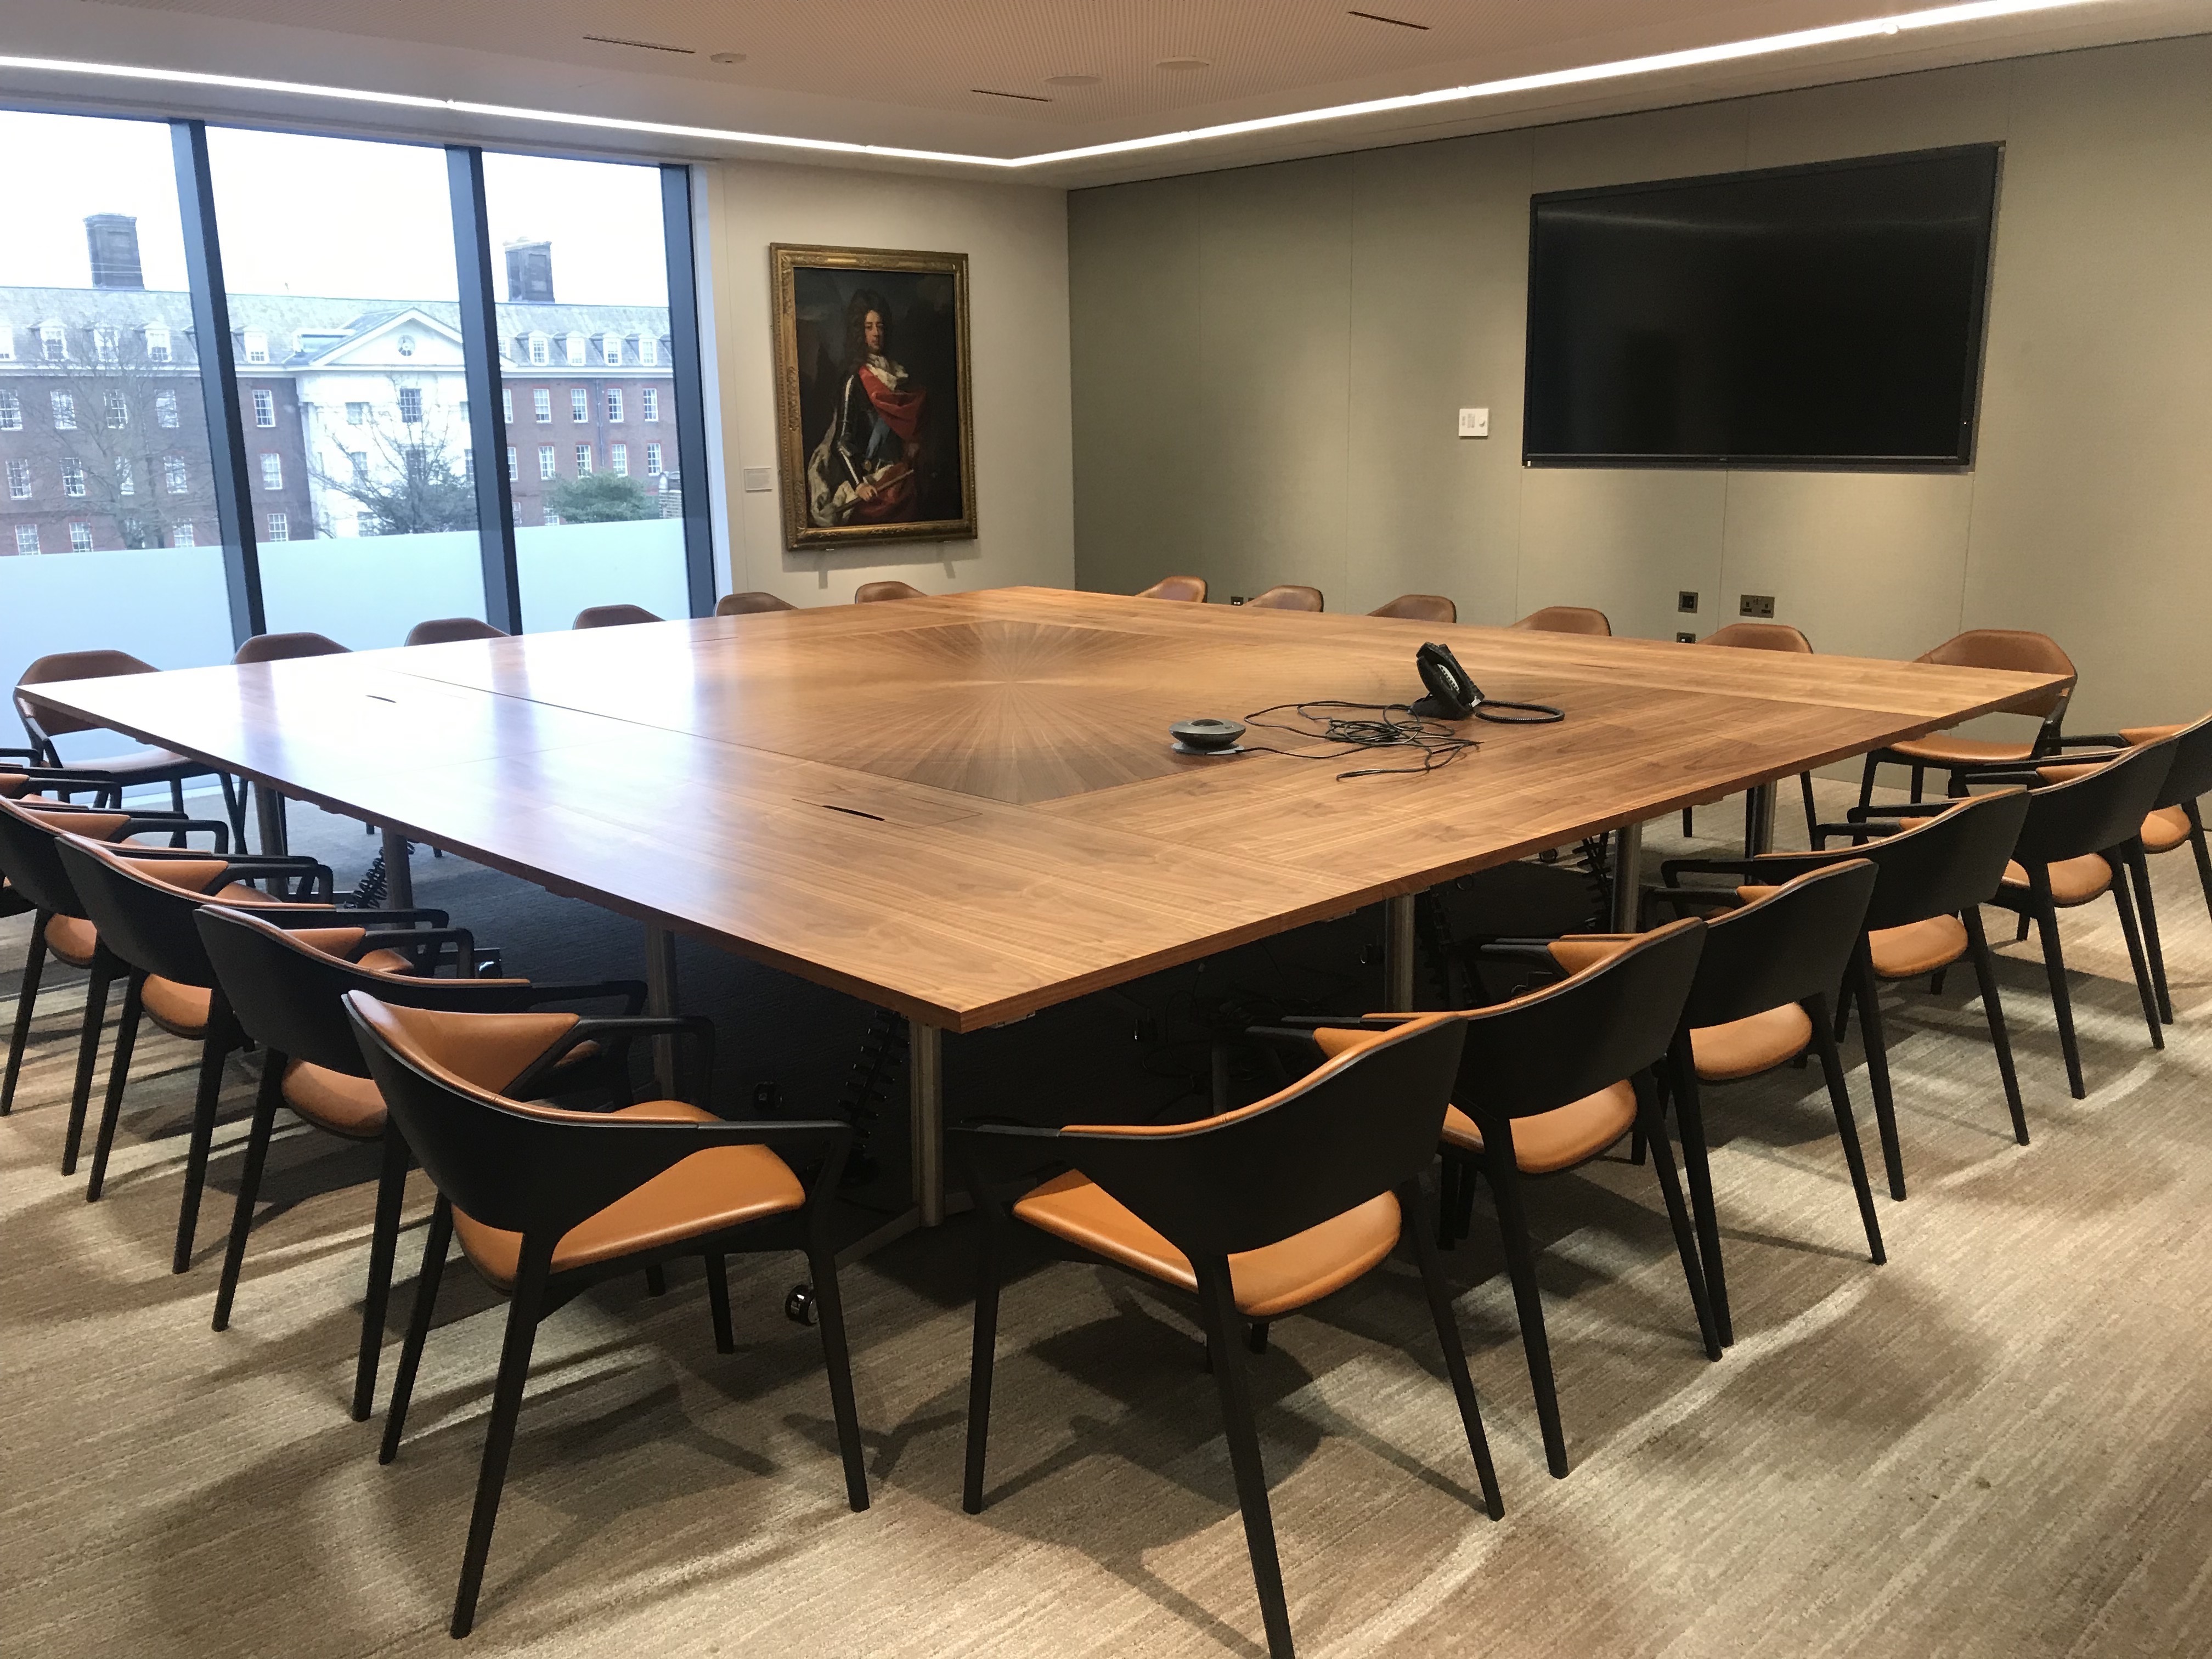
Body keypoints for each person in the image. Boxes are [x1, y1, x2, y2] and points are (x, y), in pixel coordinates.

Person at [805, 290, 927, 527]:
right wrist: (859, 485)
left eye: (880, 327)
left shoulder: (898, 376)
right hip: (870, 481)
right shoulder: (855, 381)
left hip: (900, 475)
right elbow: (841, 441)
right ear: (859, 332)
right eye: (869, 327)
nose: (876, 334)